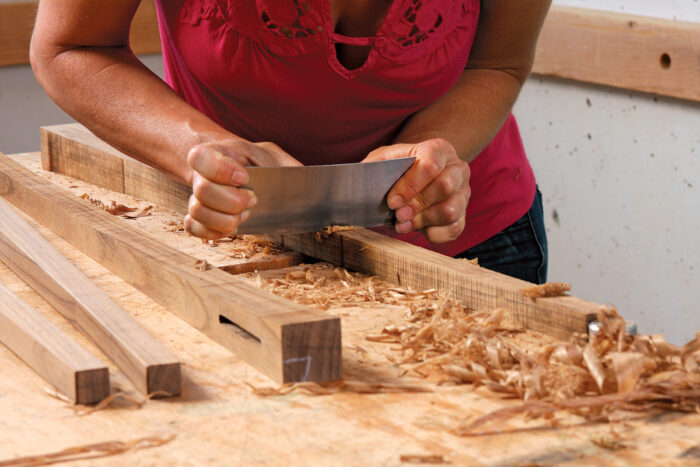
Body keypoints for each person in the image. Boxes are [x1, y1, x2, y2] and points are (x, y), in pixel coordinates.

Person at [30, 0, 551, 284]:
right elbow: (73, 45)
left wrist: (430, 149)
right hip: (243, 235)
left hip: (473, 239)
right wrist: (207, 150)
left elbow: (497, 63)